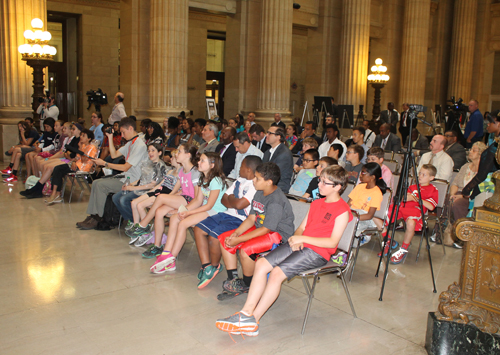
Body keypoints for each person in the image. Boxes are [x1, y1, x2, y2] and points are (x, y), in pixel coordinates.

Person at [215, 165, 352, 336]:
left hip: (318, 252)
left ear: (338, 187)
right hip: (301, 244)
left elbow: (332, 243)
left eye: (325, 182)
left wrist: (302, 239)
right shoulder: (317, 203)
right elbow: (301, 228)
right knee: (262, 263)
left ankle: (253, 320)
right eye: (320, 180)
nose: (320, 185)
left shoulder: (342, 210)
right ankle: (246, 312)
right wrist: (296, 238)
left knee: (276, 274)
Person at [215, 162, 295, 300]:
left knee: (246, 250)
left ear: (269, 182)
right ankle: (233, 279)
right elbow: (252, 218)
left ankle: (247, 283)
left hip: (278, 235)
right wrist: (237, 233)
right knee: (225, 239)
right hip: (262, 228)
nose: (253, 180)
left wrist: (239, 240)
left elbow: (267, 228)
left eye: (257, 178)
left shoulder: (276, 200)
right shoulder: (259, 192)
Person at [149, 152, 228, 271]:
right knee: (174, 217)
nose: (198, 162)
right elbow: (197, 200)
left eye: (202, 161)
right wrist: (185, 210)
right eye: (199, 160)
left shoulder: (215, 181)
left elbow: (210, 205)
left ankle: (171, 259)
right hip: (206, 209)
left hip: (216, 212)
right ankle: (166, 253)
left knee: (183, 223)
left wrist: (188, 213)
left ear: (212, 165)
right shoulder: (203, 178)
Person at [193, 156, 261, 289]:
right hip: (226, 214)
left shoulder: (254, 185)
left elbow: (241, 205)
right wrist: (234, 202)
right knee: (198, 229)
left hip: (240, 220)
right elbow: (224, 200)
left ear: (248, 170)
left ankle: (214, 265)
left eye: (241, 166)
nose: (239, 169)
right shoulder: (239, 180)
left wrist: (232, 201)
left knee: (214, 237)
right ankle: (207, 266)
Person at [76, 117, 148, 230]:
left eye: (123, 132)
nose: (122, 136)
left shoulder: (140, 145)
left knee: (100, 185)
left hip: (134, 181)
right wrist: (110, 137)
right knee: (95, 182)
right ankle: (92, 215)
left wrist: (105, 163)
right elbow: (114, 155)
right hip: (126, 178)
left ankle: (98, 218)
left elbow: (125, 167)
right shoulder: (131, 143)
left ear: (130, 128)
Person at [126, 144, 200, 252]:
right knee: (159, 211)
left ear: (188, 155)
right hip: (182, 198)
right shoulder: (181, 171)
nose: (176, 154)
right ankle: (157, 245)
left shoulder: (195, 172)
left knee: (160, 198)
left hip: (190, 201)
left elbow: (197, 197)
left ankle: (143, 224)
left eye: (179, 152)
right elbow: (177, 190)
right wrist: (168, 199)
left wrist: (180, 207)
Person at [381, 164, 438, 264]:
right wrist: (404, 197)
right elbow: (402, 198)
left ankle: (403, 249)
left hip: (415, 210)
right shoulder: (412, 187)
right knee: (381, 216)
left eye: (424, 175)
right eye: (419, 173)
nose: (420, 176)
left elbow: (431, 207)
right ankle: (388, 240)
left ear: (431, 178)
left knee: (411, 223)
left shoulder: (433, 190)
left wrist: (415, 198)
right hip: (402, 207)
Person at [127, 149, 180, 246]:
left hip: (165, 193)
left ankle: (145, 232)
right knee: (134, 202)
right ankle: (137, 230)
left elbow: (175, 191)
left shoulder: (181, 174)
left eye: (173, 157)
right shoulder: (170, 171)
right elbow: (160, 184)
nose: (171, 159)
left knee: (140, 206)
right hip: (159, 190)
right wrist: (148, 193)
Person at [441, 142, 487, 248]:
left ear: (481, 154)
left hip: (471, 197)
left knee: (458, 204)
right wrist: (452, 195)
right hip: (458, 193)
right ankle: (441, 232)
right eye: (471, 149)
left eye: (474, 150)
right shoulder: (465, 166)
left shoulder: (483, 171)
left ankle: (461, 235)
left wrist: (461, 196)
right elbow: (455, 183)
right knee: (446, 199)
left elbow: (478, 189)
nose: (470, 152)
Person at [112, 143, 168, 223]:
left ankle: (137, 221)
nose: (150, 153)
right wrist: (131, 184)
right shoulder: (149, 163)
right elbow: (142, 179)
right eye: (148, 151)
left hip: (148, 191)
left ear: (159, 152)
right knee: (115, 197)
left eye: (153, 150)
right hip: (140, 188)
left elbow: (152, 185)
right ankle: (132, 219)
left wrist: (133, 188)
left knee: (123, 200)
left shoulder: (160, 166)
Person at [45, 129, 99, 205]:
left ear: (89, 138)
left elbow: (84, 160)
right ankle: (56, 193)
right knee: (57, 169)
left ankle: (55, 194)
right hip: (76, 165)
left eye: (83, 136)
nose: (81, 137)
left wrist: (80, 149)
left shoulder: (92, 147)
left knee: (58, 169)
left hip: (84, 167)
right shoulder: (83, 145)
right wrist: (73, 162)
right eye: (81, 135)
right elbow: (76, 158)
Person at [347, 163, 387, 247]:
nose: (360, 175)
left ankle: (362, 238)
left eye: (363, 173)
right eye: (361, 172)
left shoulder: (376, 193)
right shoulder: (359, 187)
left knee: (347, 228)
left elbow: (369, 215)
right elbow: (348, 204)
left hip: (364, 218)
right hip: (353, 214)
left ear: (372, 177)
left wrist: (353, 218)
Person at [262, 126, 294, 193]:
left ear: (278, 137)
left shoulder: (284, 154)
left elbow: (273, 175)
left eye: (269, 133)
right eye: (267, 132)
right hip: (267, 185)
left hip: (278, 189)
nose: (266, 135)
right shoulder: (267, 152)